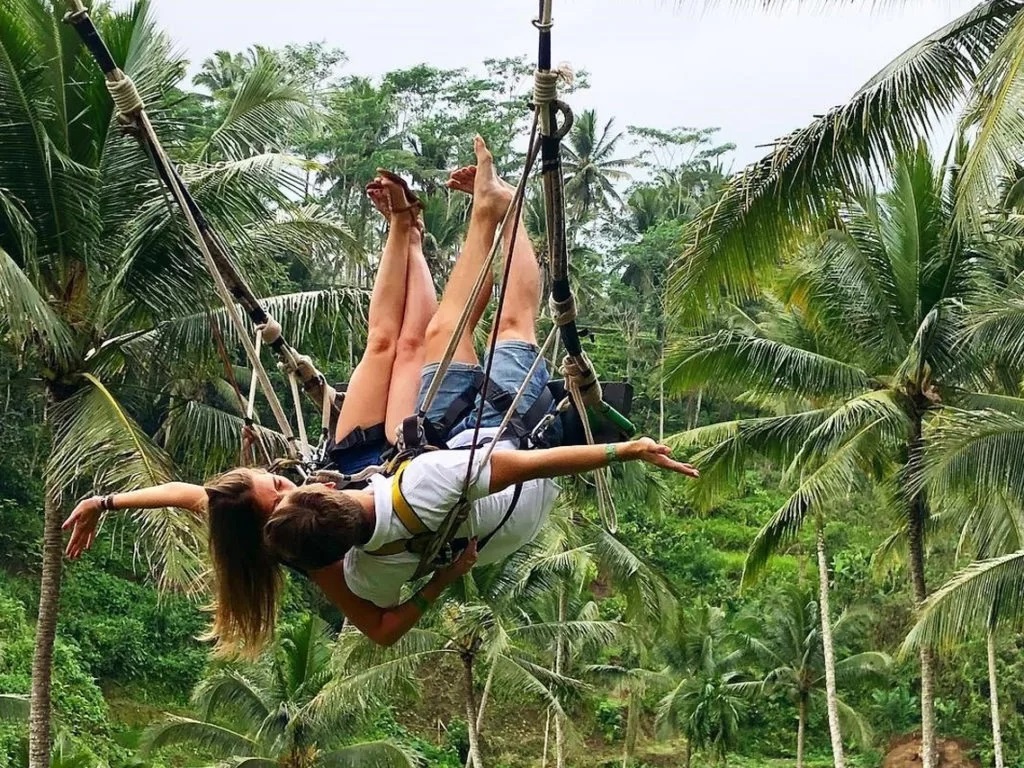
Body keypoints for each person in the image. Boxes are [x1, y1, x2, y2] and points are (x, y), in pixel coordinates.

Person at [64, 137, 699, 654]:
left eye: (271, 481)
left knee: (387, 345)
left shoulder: (275, 505)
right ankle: (487, 215)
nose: (283, 478)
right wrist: (444, 580)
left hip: (370, 470)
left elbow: (192, 496)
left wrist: (108, 499)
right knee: (444, 343)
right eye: (278, 491)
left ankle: (407, 226)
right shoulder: (313, 549)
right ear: (275, 523)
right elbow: (378, 625)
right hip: (411, 481)